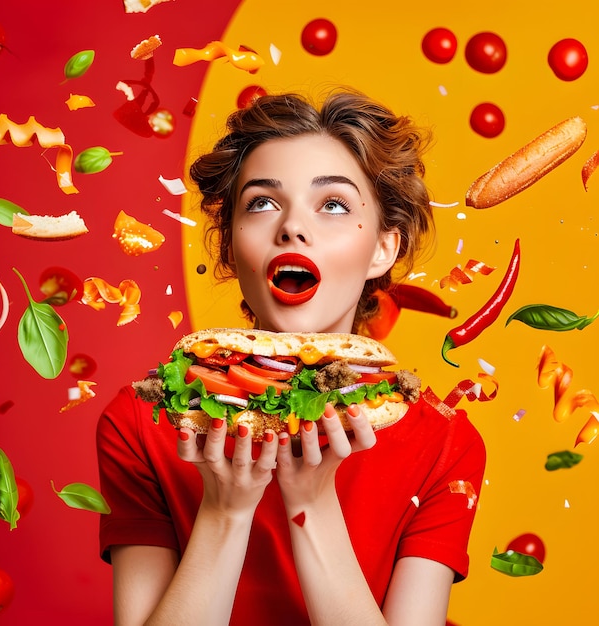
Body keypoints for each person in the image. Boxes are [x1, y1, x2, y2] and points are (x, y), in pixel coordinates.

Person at [96, 89, 486, 625]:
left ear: (382, 248)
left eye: (333, 204)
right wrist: (224, 513)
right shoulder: (144, 422)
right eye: (261, 202)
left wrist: (311, 506)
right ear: (231, 248)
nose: (291, 228)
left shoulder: (444, 444)